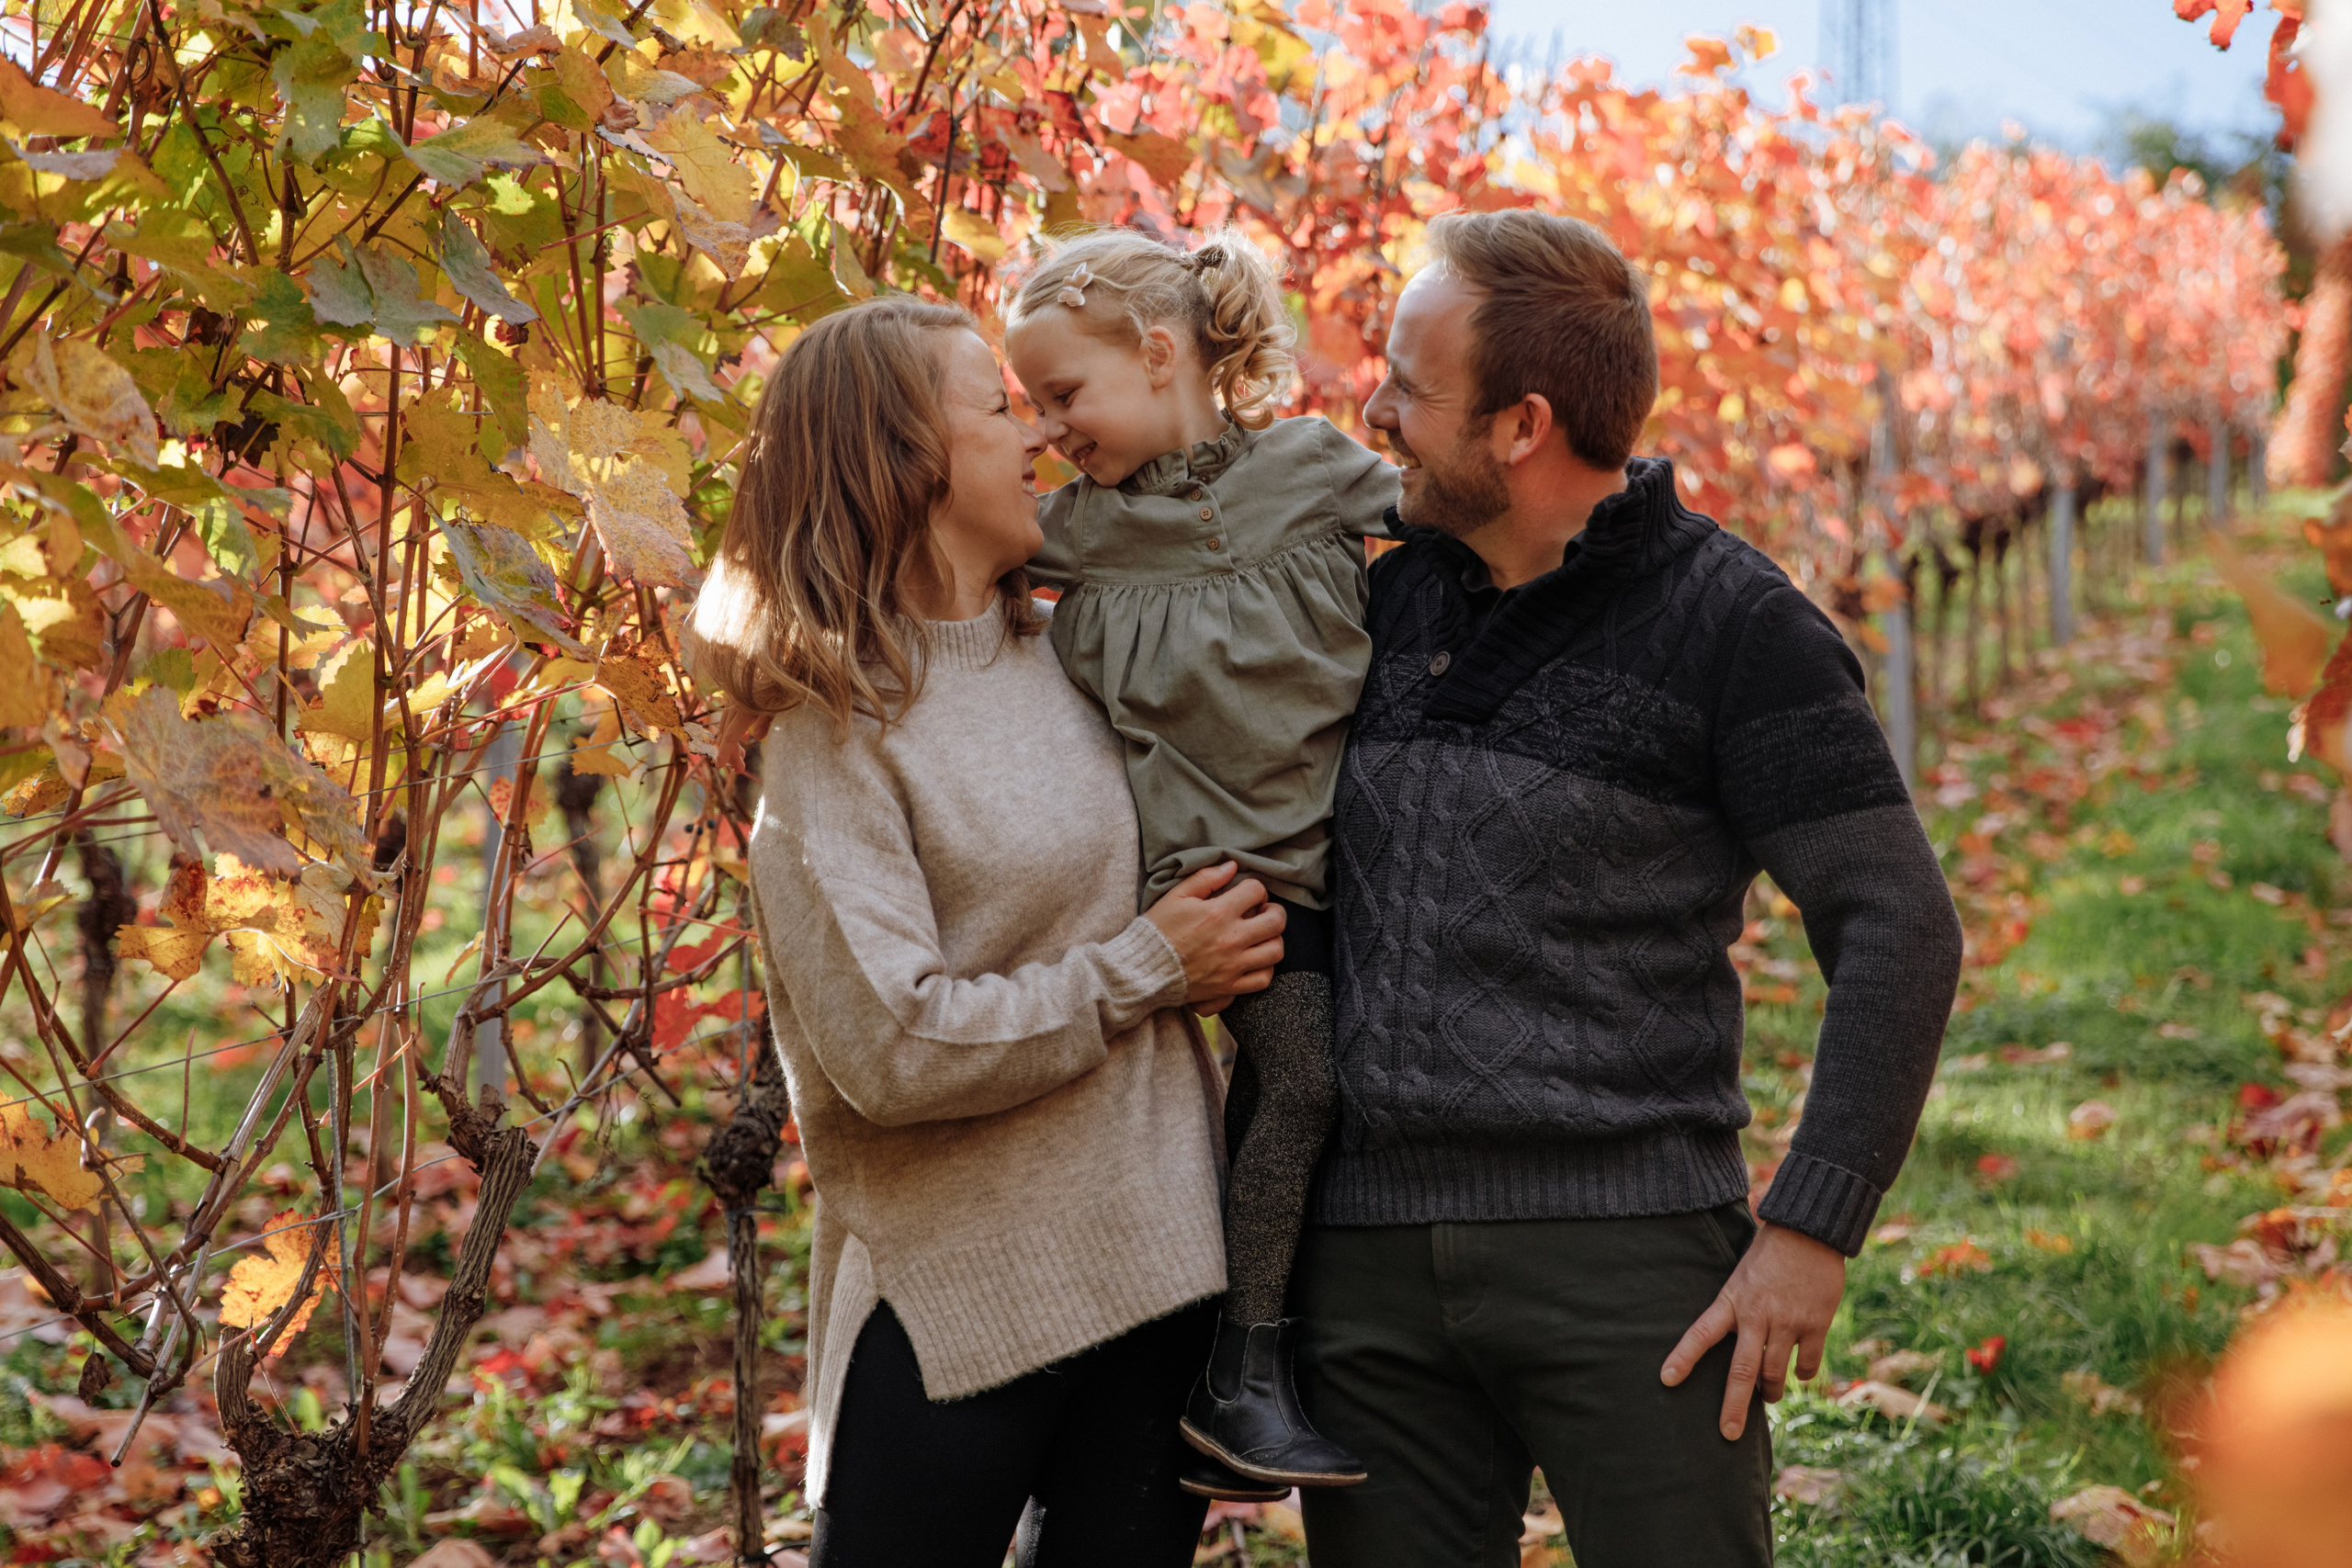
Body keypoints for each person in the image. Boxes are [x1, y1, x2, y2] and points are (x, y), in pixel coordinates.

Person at [1294, 210, 1965, 1566]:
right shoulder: (1372, 602)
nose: (1371, 411)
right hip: (1366, 1273)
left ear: (1520, 424)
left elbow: (1898, 922)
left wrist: (1812, 1226)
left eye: (1410, 389)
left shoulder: (1737, 628)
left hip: (1633, 1264)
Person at [684, 296, 1286, 1568]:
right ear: (905, 459)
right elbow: (893, 1047)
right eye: (1000, 409)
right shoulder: (831, 736)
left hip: (1164, 1264)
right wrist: (1144, 971)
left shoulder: (1082, 653)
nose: (1041, 440)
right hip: (965, 1295)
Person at [1002, 227, 1398, 1497]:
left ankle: (1284, 1360)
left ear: (1161, 353)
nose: (1053, 427)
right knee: (1305, 1080)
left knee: (1343, 1088)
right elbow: (928, 555)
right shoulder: (1077, 532)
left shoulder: (1318, 471)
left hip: (1340, 865)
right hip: (1209, 887)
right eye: (1034, 405)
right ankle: (1241, 1377)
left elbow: (1460, 512)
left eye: (1067, 394)